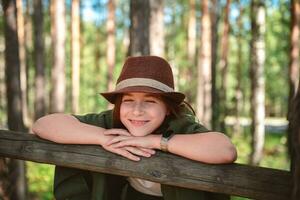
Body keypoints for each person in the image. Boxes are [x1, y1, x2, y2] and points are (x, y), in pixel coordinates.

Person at [32, 55, 237, 200]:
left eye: (150, 101)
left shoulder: (182, 126)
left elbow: (225, 150)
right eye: (128, 101)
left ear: (167, 108)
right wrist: (104, 137)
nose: (136, 111)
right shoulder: (112, 122)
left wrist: (155, 141)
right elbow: (44, 124)